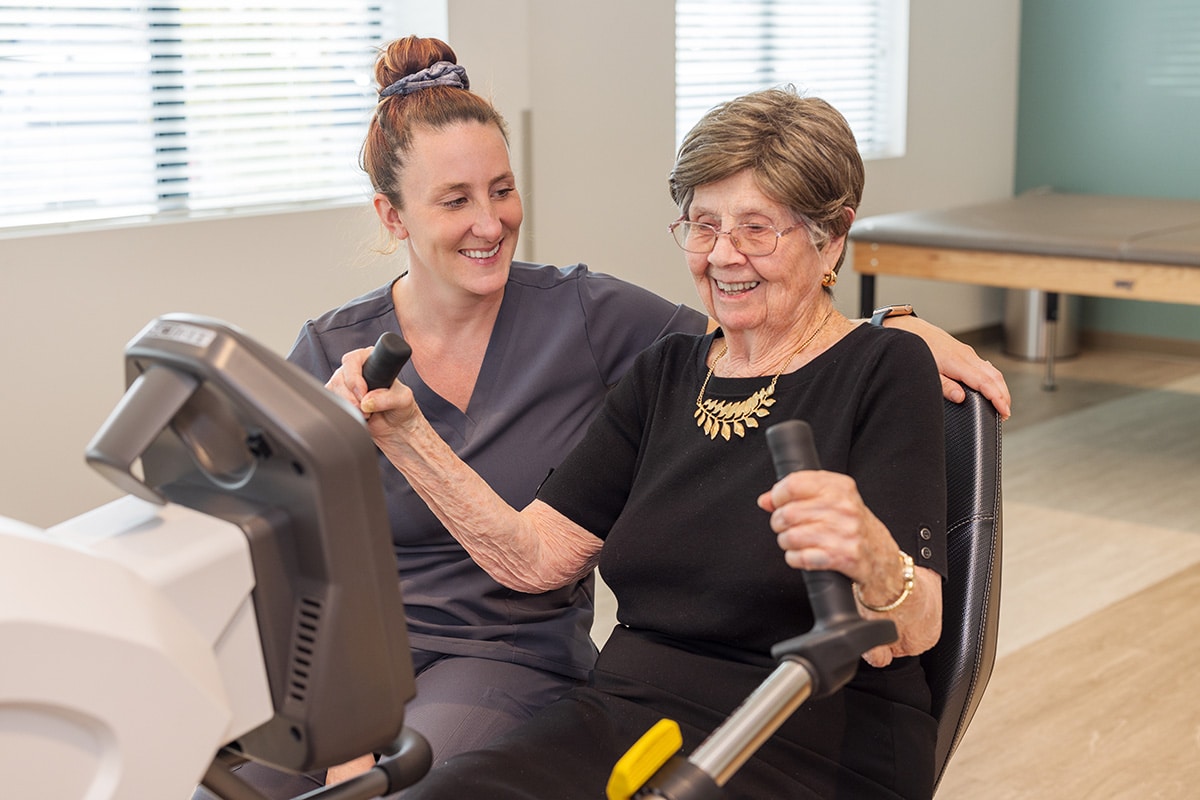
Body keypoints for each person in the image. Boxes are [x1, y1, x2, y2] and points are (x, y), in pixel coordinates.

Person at [205, 35, 1008, 797]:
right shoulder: (662, 373)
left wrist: (872, 555)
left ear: (830, 240)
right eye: (702, 224)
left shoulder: (880, 370)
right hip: (624, 720)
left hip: (802, 733)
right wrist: (409, 434)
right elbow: (532, 558)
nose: (724, 255)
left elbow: (919, 627)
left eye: (757, 229)